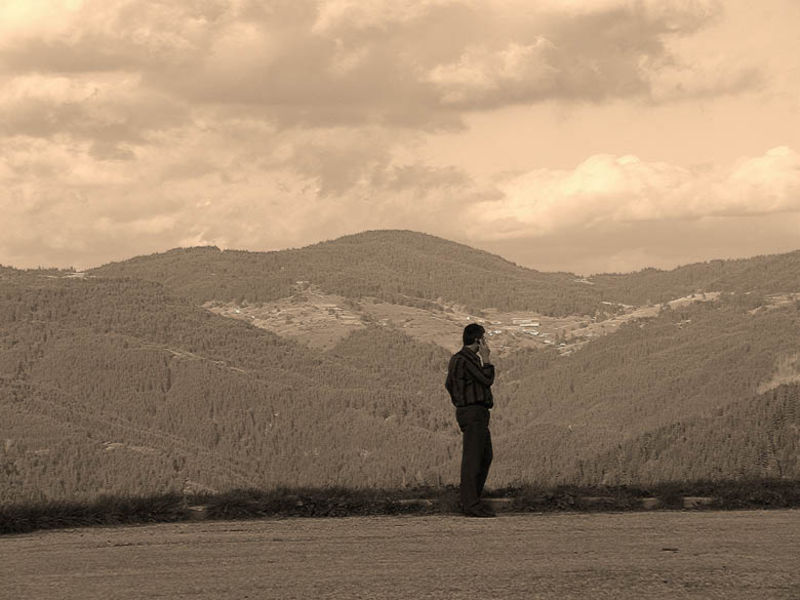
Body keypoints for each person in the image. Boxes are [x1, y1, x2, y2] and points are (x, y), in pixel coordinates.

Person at [445, 323, 496, 517]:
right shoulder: (467, 360)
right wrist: (487, 359)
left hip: (471, 412)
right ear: (478, 340)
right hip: (474, 412)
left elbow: (448, 384)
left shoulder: (457, 359)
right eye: (484, 338)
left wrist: (459, 401)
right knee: (474, 459)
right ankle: (471, 505)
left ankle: (472, 500)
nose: (485, 342)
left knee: (484, 456)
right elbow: (487, 379)